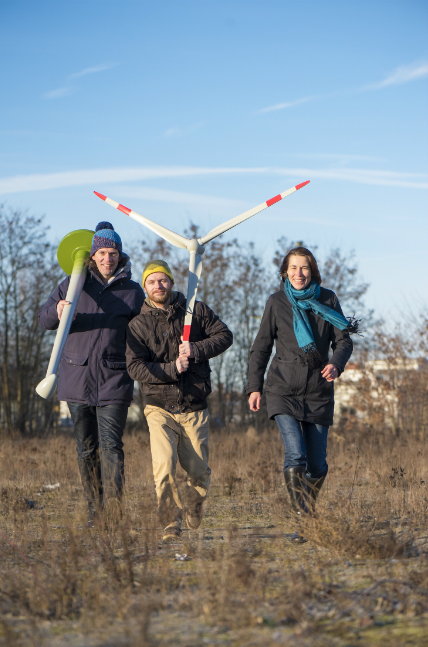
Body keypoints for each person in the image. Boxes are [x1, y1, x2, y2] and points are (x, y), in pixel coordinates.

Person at [246, 247, 358, 540]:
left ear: (312, 271)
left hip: (318, 390)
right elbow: (261, 347)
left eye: (304, 268)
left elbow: (343, 340)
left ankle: (306, 510)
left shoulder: (328, 299)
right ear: (285, 272)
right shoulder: (276, 302)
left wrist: (336, 364)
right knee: (295, 455)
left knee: (317, 464)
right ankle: (304, 519)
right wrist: (254, 387)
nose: (299, 273)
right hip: (282, 388)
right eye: (293, 268)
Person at [39, 222, 145, 525]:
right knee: (86, 448)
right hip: (76, 377)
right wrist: (57, 311)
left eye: (113, 253)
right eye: (101, 252)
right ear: (92, 255)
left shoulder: (133, 292)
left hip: (115, 378)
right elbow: (43, 320)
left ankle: (115, 510)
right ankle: (93, 510)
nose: (107, 258)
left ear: (120, 256)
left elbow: (146, 332)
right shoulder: (72, 283)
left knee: (112, 446)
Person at [126, 260, 233, 542]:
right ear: (145, 287)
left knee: (198, 470)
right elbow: (135, 367)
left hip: (194, 404)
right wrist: (172, 368)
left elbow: (225, 336)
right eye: (151, 282)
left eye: (163, 280)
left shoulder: (194, 311)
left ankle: (195, 503)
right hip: (158, 406)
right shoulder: (138, 324)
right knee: (164, 465)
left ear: (171, 283)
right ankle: (170, 522)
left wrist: (196, 348)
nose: (158, 286)